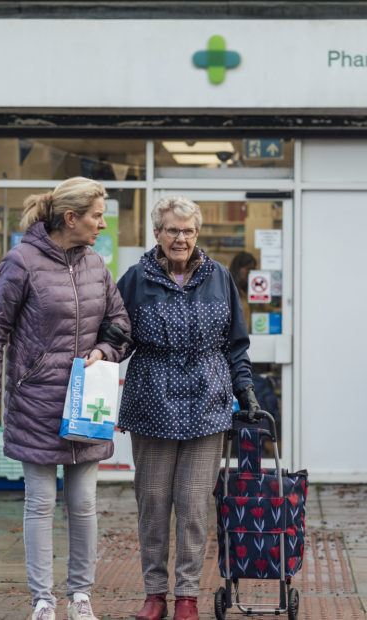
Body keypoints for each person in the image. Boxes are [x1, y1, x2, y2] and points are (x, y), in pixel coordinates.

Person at [0, 177, 132, 620]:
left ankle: (80, 596)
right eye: (96, 215)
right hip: (37, 401)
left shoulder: (96, 265)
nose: (102, 223)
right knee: (40, 503)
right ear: (71, 218)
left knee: (83, 504)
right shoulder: (21, 262)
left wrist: (102, 351)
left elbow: (119, 323)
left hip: (87, 403)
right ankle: (42, 600)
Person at [116, 196, 260, 620]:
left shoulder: (219, 278)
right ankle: (155, 594)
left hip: (206, 403)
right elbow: (118, 336)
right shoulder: (135, 279)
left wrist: (245, 389)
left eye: (188, 231)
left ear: (197, 234)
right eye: (172, 230)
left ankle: (187, 597)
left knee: (195, 505)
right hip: (151, 402)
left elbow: (236, 343)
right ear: (157, 233)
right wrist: (102, 353)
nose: (181, 238)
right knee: (154, 502)